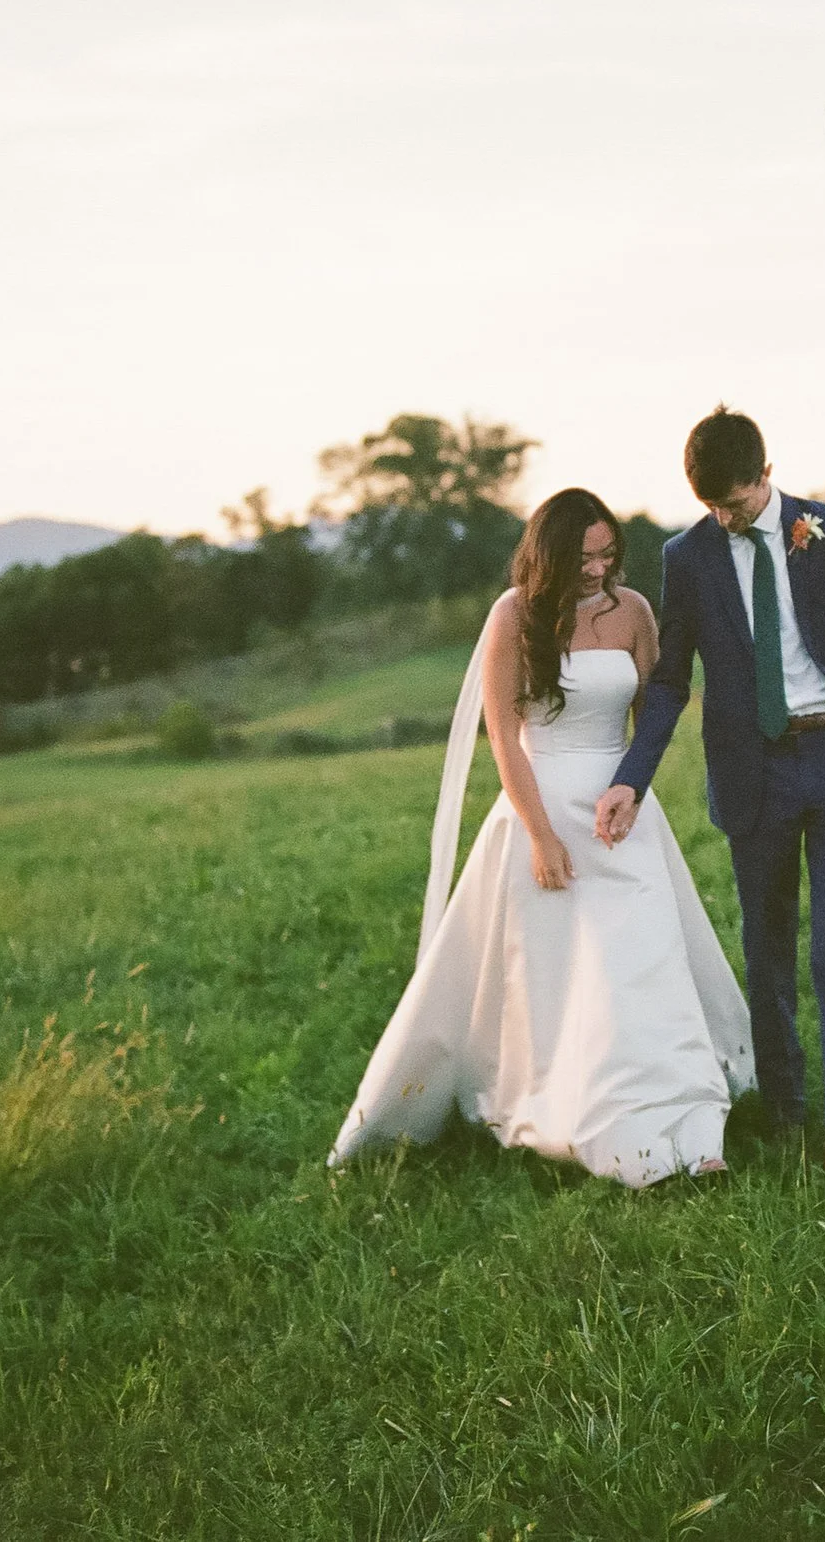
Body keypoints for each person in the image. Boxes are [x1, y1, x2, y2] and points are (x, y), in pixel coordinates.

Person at [328, 488, 754, 1187]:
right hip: (545, 806)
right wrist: (539, 833)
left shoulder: (635, 612)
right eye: (583, 556)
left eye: (608, 553)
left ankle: (688, 1119)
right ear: (549, 554)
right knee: (568, 979)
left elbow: (654, 712)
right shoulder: (514, 615)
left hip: (621, 813)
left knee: (647, 964)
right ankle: (596, 1113)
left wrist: (634, 789)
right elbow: (504, 732)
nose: (598, 568)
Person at [594, 409, 825, 1174]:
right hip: (752, 771)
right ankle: (786, 1111)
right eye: (712, 508)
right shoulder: (687, 557)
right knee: (766, 952)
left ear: (767, 473)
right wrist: (631, 777)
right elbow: (670, 681)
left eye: (736, 502)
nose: (726, 518)